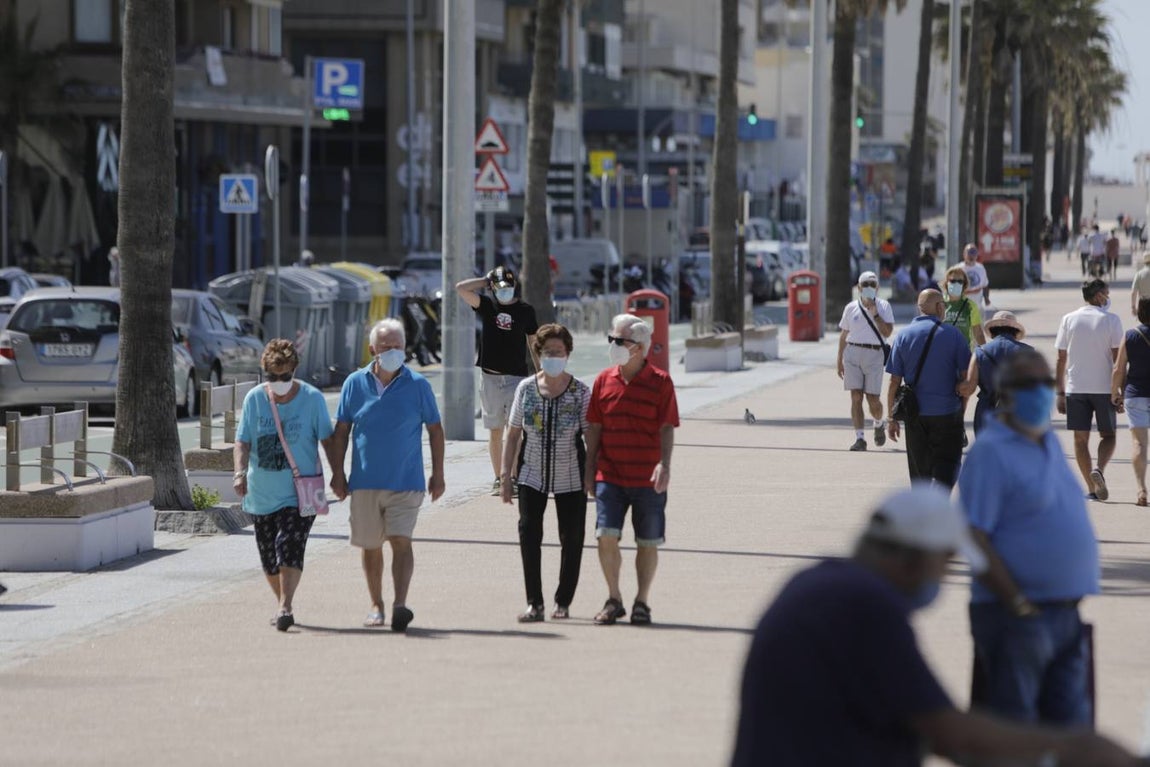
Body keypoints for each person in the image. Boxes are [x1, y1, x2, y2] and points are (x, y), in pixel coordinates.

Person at [730, 484, 1140, 767]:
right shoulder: (865, 605)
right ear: (910, 558)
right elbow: (950, 734)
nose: (944, 576)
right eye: (945, 562)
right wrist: (1074, 746)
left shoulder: (821, 583)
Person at [959, 349, 1101, 726]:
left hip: (1064, 613)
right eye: (1029, 384)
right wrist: (1017, 602)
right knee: (1015, 732)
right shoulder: (990, 451)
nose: (1040, 392)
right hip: (1017, 617)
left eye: (1046, 383)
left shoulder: (1047, 442)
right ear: (1006, 392)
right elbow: (973, 536)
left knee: (1069, 732)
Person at [330, 319, 446, 631]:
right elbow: (341, 431)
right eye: (386, 347)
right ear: (372, 350)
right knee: (370, 546)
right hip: (365, 481)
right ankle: (376, 606)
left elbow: (435, 430)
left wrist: (439, 474)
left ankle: (399, 605)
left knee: (400, 540)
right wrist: (338, 474)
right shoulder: (355, 383)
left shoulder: (418, 385)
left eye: (397, 346)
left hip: (406, 482)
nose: (393, 351)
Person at [234, 339, 337, 631]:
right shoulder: (254, 399)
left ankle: (285, 606)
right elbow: (243, 440)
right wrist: (239, 473)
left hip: (300, 494)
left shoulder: (312, 398)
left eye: (285, 376)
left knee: (288, 544)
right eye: (272, 377)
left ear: (295, 371)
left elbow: (327, 440)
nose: (279, 382)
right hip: (262, 493)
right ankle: (282, 601)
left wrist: (338, 475)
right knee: (268, 557)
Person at [584, 313, 679, 626]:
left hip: (647, 479)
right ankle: (614, 599)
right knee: (605, 535)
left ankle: (642, 602)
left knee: (647, 542)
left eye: (618, 341)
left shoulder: (661, 382)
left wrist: (665, 464)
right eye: (611, 339)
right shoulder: (602, 381)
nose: (612, 345)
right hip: (608, 476)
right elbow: (594, 428)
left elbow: (667, 427)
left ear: (638, 347)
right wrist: (589, 470)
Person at [500, 323, 591, 622]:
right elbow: (512, 434)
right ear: (538, 354)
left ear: (568, 354)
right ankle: (534, 603)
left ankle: (563, 601)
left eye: (559, 352)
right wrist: (505, 477)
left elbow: (591, 437)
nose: (554, 356)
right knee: (528, 533)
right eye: (548, 352)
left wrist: (593, 475)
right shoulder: (525, 389)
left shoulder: (580, 392)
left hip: (571, 475)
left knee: (572, 536)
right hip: (531, 474)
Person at [456, 266, 539, 495]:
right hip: (490, 377)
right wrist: (486, 280)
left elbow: (533, 342)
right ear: (493, 289)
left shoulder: (525, 311)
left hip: (516, 377)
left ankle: (514, 476)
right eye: (501, 288)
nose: (505, 292)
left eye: (509, 288)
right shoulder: (486, 305)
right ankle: (498, 478)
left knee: (516, 430)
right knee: (495, 430)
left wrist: (540, 371)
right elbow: (460, 288)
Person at [886, 290, 971, 488]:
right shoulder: (954, 335)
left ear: (919, 308)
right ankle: (939, 505)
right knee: (948, 467)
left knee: (919, 472)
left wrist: (891, 418)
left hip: (914, 414)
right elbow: (967, 379)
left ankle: (922, 509)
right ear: (940, 307)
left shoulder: (903, 336)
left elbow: (893, 381)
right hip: (947, 412)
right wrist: (962, 409)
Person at [1055, 279, 1123, 501]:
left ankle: (1091, 490)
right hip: (1104, 388)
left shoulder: (1068, 319)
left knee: (1080, 440)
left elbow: (1061, 358)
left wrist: (1060, 392)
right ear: (1099, 295)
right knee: (1109, 435)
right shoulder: (1112, 320)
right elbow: (1117, 359)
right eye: (1107, 292)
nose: (1108, 296)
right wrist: (1119, 390)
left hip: (1076, 388)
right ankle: (1100, 470)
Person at [836, 271, 894, 451]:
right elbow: (844, 334)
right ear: (859, 287)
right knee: (855, 397)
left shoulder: (884, 306)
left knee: (873, 399)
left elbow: (887, 333)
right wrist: (839, 358)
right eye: (865, 284)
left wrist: (876, 314)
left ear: (877, 287)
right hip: (853, 352)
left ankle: (878, 423)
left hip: (874, 353)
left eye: (872, 284)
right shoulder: (850, 307)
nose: (869, 288)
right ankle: (860, 438)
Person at [960, 311, 1032, 436]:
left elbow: (969, 388)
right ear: (1015, 331)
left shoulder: (980, 352)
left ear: (992, 331)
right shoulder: (1028, 352)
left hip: (986, 413)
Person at [1112, 298, 1150, 506]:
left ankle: (1141, 489)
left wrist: (1114, 393)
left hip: (1135, 395)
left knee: (1139, 443)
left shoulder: (1130, 336)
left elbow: (1118, 369)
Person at [943, 265, 986, 348]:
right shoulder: (940, 302)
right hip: (944, 351)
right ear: (946, 282)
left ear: (964, 284)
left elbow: (978, 333)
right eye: (953, 281)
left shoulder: (970, 305)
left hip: (963, 352)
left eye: (960, 281)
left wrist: (985, 353)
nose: (956, 283)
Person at [960, 244, 990, 308]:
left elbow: (985, 285)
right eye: (969, 252)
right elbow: (953, 290)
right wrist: (971, 291)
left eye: (974, 252)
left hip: (977, 306)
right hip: (962, 306)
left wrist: (986, 298)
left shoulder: (981, 268)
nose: (972, 255)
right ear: (964, 254)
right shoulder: (959, 269)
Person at [1129, 251, 1150, 317]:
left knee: (1145, 325)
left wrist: (1133, 307)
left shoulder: (1139, 274)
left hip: (1143, 304)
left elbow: (1133, 292)